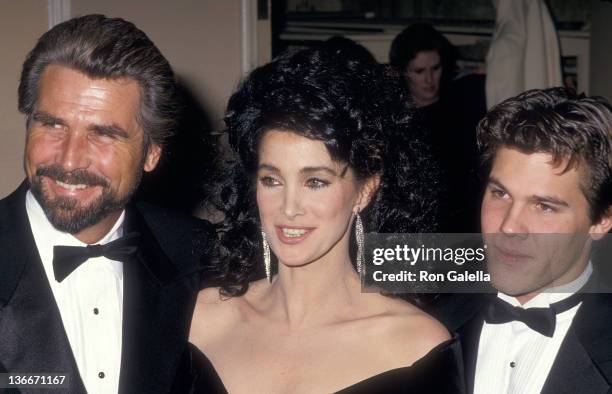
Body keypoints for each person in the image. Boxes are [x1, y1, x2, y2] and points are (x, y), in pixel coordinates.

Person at [188, 44, 464, 393]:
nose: (289, 208)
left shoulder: (415, 348)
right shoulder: (203, 319)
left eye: (315, 182)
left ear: (365, 190)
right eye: (271, 180)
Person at [0, 14, 211, 393]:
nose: (68, 161)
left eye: (103, 135)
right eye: (52, 124)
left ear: (151, 154)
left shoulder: (202, 257)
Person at [432, 88, 612, 393]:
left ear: (601, 221)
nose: (509, 226)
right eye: (500, 193)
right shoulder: (428, 323)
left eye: (544, 206)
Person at [390, 23, 482, 233]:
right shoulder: (396, 120)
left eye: (435, 68)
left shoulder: (465, 104)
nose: (429, 80)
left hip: (465, 225)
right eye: (419, 71)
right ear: (403, 72)